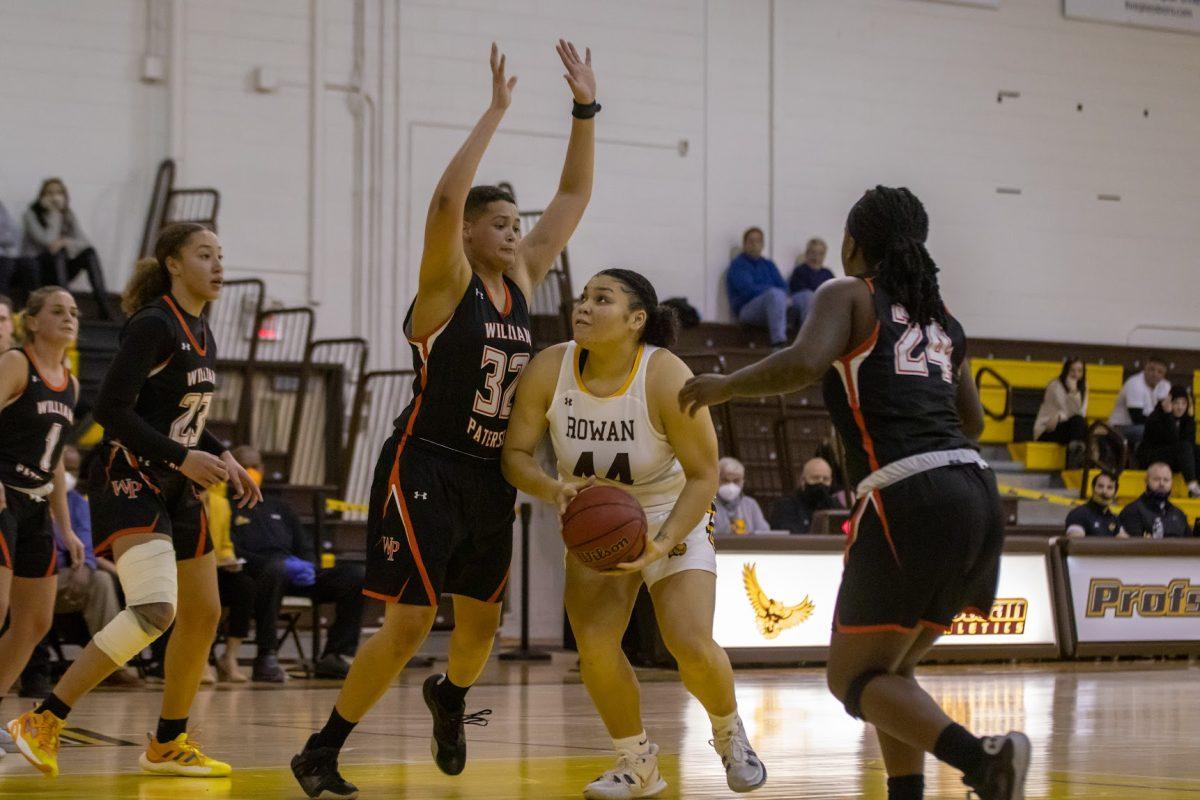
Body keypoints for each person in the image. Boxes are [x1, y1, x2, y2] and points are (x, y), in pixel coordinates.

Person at [291, 40, 597, 800]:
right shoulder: (444, 283)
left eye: (514, 223)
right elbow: (440, 203)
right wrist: (494, 113)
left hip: (490, 473)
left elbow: (573, 199)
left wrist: (585, 109)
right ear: (467, 232)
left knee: (478, 636)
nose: (512, 231)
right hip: (423, 462)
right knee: (407, 624)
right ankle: (322, 750)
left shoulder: (522, 277)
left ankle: (451, 699)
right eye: (497, 221)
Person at [679, 186, 1028, 800]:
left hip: (910, 492)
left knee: (852, 682)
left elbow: (802, 361)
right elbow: (970, 420)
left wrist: (722, 387)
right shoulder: (943, 321)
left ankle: (982, 758)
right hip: (976, 490)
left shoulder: (847, 294)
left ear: (852, 244)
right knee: (891, 673)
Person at [5, 223, 261, 779]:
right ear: (173, 263)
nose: (218, 265)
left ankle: (168, 744)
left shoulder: (203, 331)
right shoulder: (153, 324)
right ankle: (44, 719)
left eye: (221, 255)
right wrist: (181, 456)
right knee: (153, 611)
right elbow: (112, 411)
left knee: (205, 614)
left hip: (177, 482)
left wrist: (225, 456)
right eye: (204, 255)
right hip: (129, 478)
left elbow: (183, 418)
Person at [502, 268, 767, 798]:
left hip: (672, 508)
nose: (583, 306)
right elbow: (514, 456)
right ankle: (638, 762)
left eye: (602, 299)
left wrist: (664, 541)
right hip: (593, 511)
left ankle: (728, 732)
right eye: (583, 298)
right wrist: (554, 488)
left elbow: (704, 474)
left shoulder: (665, 374)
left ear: (635, 320)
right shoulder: (550, 368)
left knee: (687, 641)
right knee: (596, 646)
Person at [0, 287, 86, 746]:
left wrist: (65, 526)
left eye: (74, 312)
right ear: (31, 321)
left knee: (34, 621)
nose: (69, 318)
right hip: (2, 496)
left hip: (35, 506)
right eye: (57, 310)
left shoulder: (70, 382)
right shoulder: (16, 363)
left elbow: (53, 459)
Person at [229, 445, 365, 683]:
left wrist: (308, 566)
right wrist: (275, 563)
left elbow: (304, 545)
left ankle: (335, 655)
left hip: (295, 574)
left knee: (355, 576)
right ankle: (266, 656)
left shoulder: (280, 507)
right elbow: (231, 550)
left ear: (262, 468)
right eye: (245, 466)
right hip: (258, 575)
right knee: (275, 569)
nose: (251, 471)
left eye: (255, 466)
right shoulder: (227, 507)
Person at [20, 178, 116, 319]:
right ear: (42, 196)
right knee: (59, 252)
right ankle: (67, 306)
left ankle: (104, 306)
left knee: (89, 253)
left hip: (62, 268)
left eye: (58, 193)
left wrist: (65, 241)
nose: (54, 197)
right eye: (50, 193)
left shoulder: (68, 214)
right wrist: (54, 213)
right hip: (40, 268)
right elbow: (48, 242)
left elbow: (85, 243)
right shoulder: (31, 214)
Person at [206, 481, 252, 683]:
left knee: (244, 587)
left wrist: (229, 558)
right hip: (184, 567)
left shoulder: (220, 503)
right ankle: (201, 660)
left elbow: (224, 543)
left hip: (215, 567)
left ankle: (229, 656)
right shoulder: (180, 499)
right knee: (205, 594)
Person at [727, 227, 798, 348]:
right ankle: (779, 343)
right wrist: (771, 290)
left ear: (762, 244)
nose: (755, 244)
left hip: (772, 305)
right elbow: (747, 290)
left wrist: (775, 293)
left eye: (758, 241)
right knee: (775, 294)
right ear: (745, 244)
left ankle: (808, 343)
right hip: (747, 310)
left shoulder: (768, 264)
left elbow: (784, 287)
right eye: (751, 241)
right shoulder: (738, 265)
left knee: (803, 297)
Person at [1137, 386, 1200, 496]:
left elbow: (1190, 445)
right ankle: (1192, 485)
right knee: (1183, 447)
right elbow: (1172, 440)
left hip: (1177, 458)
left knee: (1196, 450)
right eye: (1176, 403)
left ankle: (1196, 487)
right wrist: (1168, 415)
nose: (1180, 407)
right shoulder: (1156, 417)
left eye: (1184, 403)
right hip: (1153, 456)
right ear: (1169, 403)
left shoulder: (1188, 421)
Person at [768, 456, 845, 534]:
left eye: (825, 479)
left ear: (831, 481)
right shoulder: (786, 506)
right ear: (803, 481)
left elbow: (849, 532)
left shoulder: (834, 506)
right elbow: (791, 538)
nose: (820, 483)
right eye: (815, 478)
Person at [1108, 357, 1170, 448]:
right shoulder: (1134, 383)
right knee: (1148, 432)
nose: (1155, 374)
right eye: (1151, 370)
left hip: (1146, 425)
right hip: (1121, 427)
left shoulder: (1165, 385)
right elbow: (1136, 418)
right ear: (1145, 369)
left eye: (1160, 372)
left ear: (1164, 375)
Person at [1034, 358, 1088, 462]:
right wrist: (1073, 392)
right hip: (1047, 429)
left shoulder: (1083, 386)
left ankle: (1076, 453)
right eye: (1072, 370)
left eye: (1080, 371)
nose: (1076, 374)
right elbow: (1072, 412)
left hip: (1068, 427)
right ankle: (1076, 456)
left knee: (1081, 423)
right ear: (1066, 371)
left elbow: (1081, 413)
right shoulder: (1055, 386)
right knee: (1079, 422)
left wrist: (1074, 391)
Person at [1117, 462, 1190, 539]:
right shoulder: (1132, 511)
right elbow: (1132, 547)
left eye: (1166, 480)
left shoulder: (1178, 514)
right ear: (1146, 481)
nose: (1162, 483)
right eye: (1157, 479)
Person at [712, 457, 770, 535]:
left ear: (742, 482)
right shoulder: (706, 505)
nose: (731, 485)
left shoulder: (750, 504)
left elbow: (765, 532)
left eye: (736, 481)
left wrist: (750, 534)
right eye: (725, 480)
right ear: (716, 480)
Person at [0, 203, 39, 308]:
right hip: (4, 260)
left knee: (29, 263)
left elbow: (14, 234)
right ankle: (2, 310)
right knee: (6, 264)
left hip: (7, 256)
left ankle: (30, 310)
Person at [788, 237, 835, 322]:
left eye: (820, 254)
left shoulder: (828, 273)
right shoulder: (800, 270)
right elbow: (798, 289)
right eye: (813, 252)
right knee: (808, 296)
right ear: (807, 254)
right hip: (805, 302)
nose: (816, 257)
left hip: (823, 304)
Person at [1064, 471, 1122, 538]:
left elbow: (1125, 544)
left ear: (1115, 494)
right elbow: (1076, 544)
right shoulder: (1079, 514)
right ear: (1092, 489)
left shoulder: (1114, 518)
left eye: (1109, 488)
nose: (1104, 491)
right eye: (1100, 486)